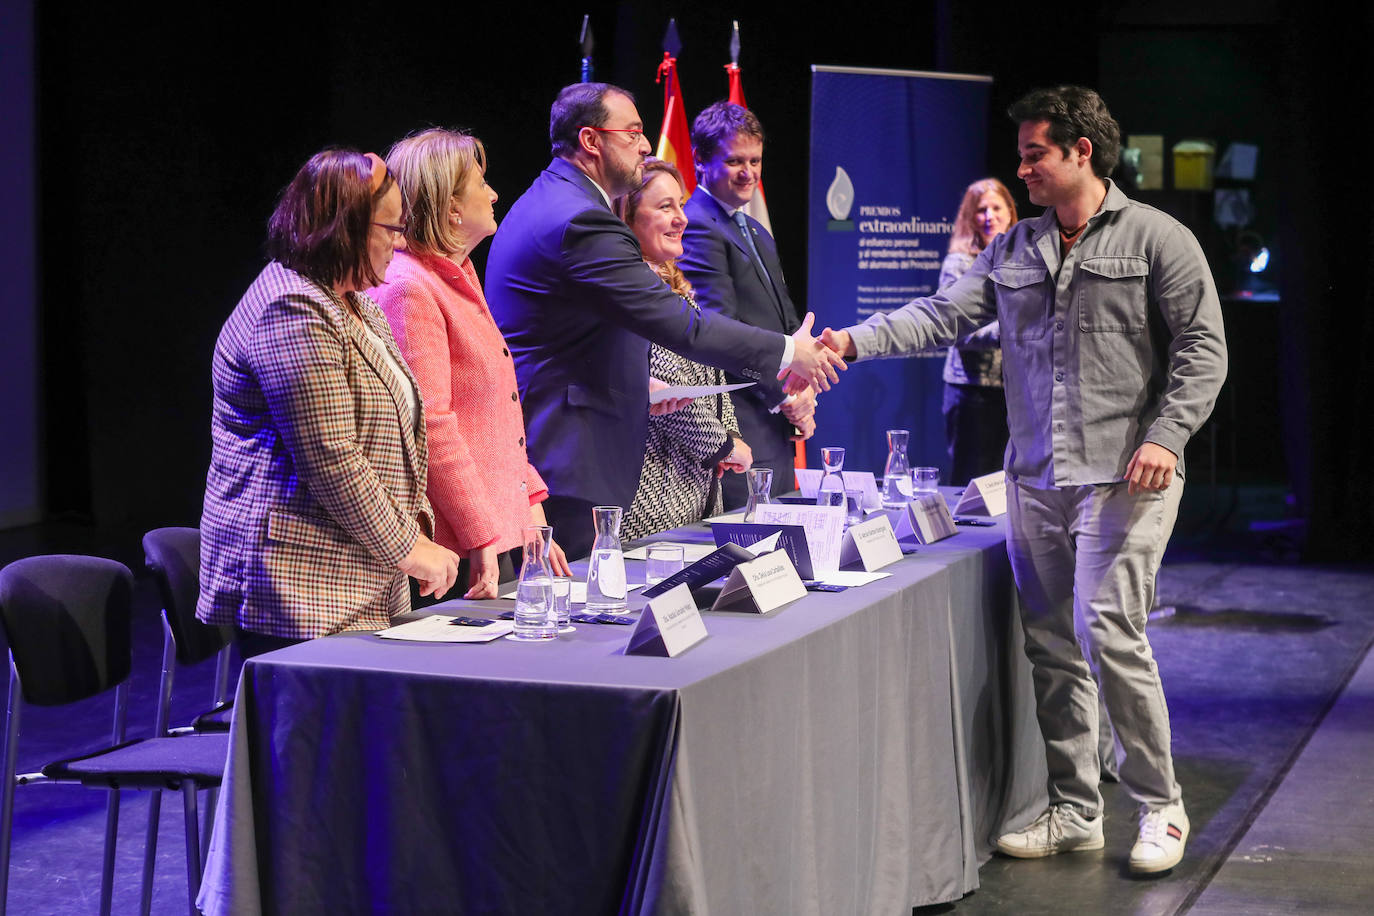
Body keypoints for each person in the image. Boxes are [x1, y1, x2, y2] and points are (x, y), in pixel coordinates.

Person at [821, 86, 1226, 874]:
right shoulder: (1014, 250)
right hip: (1036, 479)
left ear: (1082, 151)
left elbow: (1204, 350)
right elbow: (941, 315)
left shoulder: (1157, 239)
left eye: (1035, 152)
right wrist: (851, 340)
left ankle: (1160, 806)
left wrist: (1168, 436)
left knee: (1108, 628)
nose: (1022, 167)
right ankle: (1076, 810)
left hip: (1126, 479)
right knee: (1051, 647)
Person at [485, 82, 845, 559]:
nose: (643, 144)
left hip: (577, 450)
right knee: (581, 624)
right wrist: (788, 351)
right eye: (632, 131)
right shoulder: (580, 219)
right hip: (573, 458)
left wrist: (643, 383)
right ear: (591, 140)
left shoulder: (556, 201)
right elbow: (684, 328)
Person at [199, 148, 460, 655]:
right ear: (347, 228)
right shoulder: (291, 307)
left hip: (361, 576)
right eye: (391, 228)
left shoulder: (353, 303)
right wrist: (410, 548)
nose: (400, 242)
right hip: (301, 584)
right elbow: (331, 458)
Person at [370, 128, 571, 599]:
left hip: (494, 531)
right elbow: (432, 425)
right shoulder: (409, 288)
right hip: (455, 545)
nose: (495, 193)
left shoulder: (455, 275)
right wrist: (481, 534)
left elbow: (497, 418)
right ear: (452, 207)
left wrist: (532, 514)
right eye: (482, 183)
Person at [679, 101, 816, 508]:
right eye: (735, 160)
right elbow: (722, 331)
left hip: (774, 425)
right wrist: (786, 396)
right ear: (701, 161)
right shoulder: (698, 227)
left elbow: (787, 324)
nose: (749, 173)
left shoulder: (753, 228)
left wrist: (804, 387)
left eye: (755, 160)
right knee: (752, 558)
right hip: (743, 423)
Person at [612, 159, 753, 539]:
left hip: (692, 491)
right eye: (664, 207)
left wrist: (732, 437)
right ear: (626, 216)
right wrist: (724, 446)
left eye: (681, 204)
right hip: (656, 499)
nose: (682, 219)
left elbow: (712, 380)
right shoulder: (635, 293)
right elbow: (669, 392)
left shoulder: (674, 292)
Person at [939, 177, 1017, 486]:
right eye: (981, 210)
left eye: (996, 208)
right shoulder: (959, 263)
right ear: (970, 217)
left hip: (1014, 390)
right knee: (971, 481)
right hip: (971, 392)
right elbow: (954, 331)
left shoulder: (1024, 257)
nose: (989, 216)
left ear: (1010, 212)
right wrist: (1010, 331)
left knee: (1006, 481)